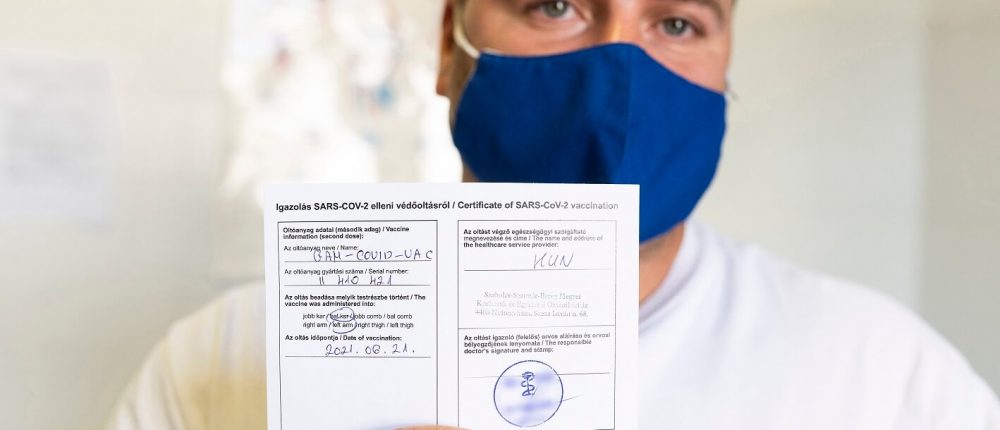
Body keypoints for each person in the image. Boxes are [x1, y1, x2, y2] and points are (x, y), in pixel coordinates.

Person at [108, 0, 1000, 429]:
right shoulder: (222, 360)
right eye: (555, 5)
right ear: (449, 46)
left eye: (677, 23)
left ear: (727, 58)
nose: (617, 67)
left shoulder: (883, 376)